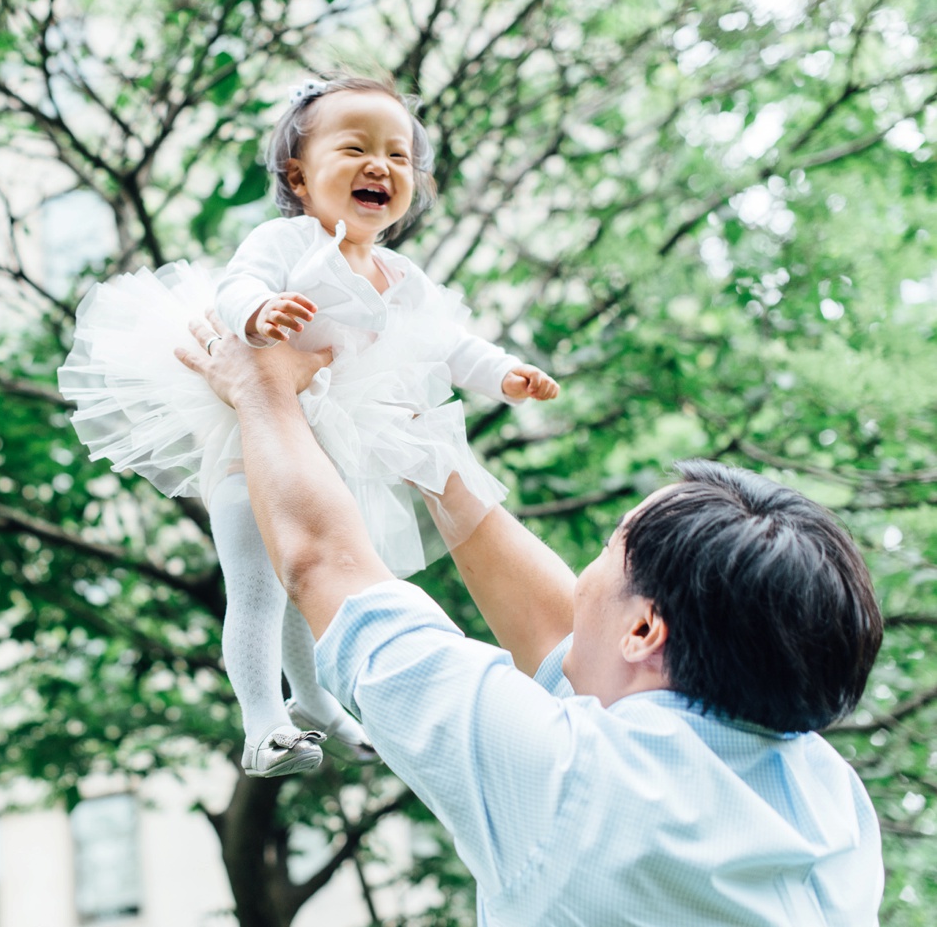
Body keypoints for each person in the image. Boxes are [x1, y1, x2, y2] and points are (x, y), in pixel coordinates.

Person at [173, 316, 885, 925]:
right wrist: (421, 443)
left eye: (609, 547)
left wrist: (258, 386)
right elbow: (565, 643)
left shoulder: (567, 781)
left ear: (643, 630)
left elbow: (325, 563)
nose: (582, 582)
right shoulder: (831, 803)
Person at [60, 73, 558, 778]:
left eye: (398, 155)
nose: (379, 165)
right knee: (259, 582)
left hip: (336, 447)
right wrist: (257, 315)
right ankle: (262, 722)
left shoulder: (401, 274)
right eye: (355, 148)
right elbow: (238, 286)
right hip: (253, 438)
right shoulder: (286, 240)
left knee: (311, 578)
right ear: (299, 175)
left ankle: (318, 701)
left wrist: (504, 374)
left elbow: (450, 341)